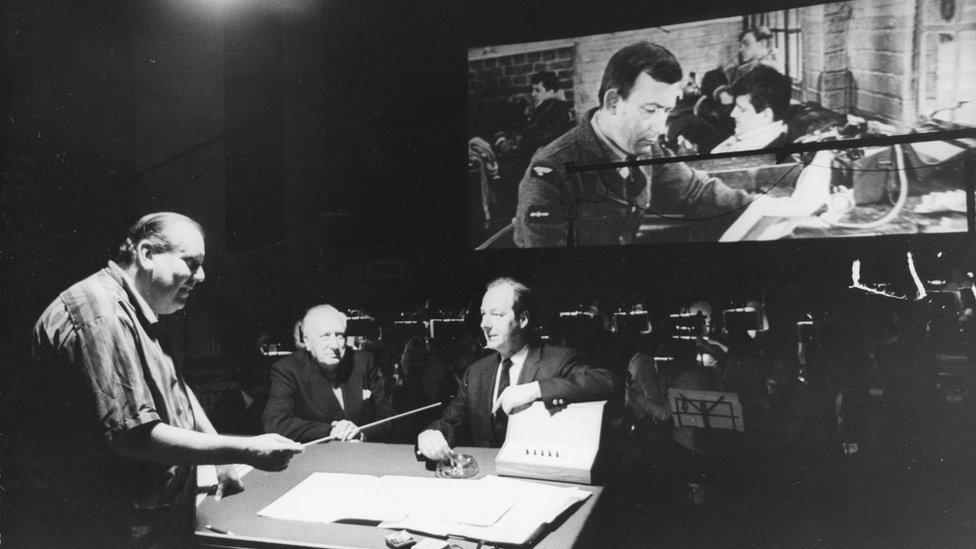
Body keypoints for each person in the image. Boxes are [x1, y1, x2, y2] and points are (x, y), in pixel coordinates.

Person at [2, 212, 303, 548]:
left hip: (145, 521)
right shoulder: (102, 314)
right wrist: (246, 449)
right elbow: (133, 436)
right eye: (191, 262)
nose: (200, 276)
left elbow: (176, 385)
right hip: (105, 529)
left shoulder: (135, 308)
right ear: (146, 254)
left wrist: (222, 456)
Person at [513, 41, 753, 247]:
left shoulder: (646, 149)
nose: (661, 127)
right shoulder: (550, 174)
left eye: (667, 110)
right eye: (651, 110)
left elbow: (697, 191)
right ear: (614, 102)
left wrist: (763, 208)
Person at [417, 278, 619, 461]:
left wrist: (535, 390)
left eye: (496, 315)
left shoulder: (557, 360)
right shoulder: (476, 372)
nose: (484, 324)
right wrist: (431, 434)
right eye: (483, 314)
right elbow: (450, 422)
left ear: (523, 319)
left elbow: (607, 382)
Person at [263, 304, 396, 443]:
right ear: (307, 341)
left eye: (339, 336)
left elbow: (389, 418)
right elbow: (276, 423)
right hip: (316, 459)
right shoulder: (287, 368)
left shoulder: (363, 361)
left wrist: (361, 433)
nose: (334, 345)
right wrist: (331, 431)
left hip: (362, 457)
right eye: (325, 336)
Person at [711, 65, 791, 153]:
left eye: (742, 109)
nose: (732, 114)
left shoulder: (758, 149)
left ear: (766, 115)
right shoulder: (754, 135)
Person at [518, 71, 574, 158]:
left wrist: (523, 139)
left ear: (551, 92)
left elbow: (548, 133)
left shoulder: (557, 107)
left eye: (538, 90)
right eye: (533, 90)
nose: (533, 94)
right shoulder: (543, 106)